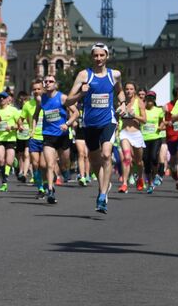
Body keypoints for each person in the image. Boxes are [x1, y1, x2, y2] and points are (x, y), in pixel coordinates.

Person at [67, 43, 125, 214]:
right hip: (89, 124)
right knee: (95, 162)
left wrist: (122, 103)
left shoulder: (115, 75)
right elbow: (68, 101)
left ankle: (102, 195)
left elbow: (120, 91)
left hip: (108, 120)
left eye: (102, 55)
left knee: (106, 154)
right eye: (95, 56)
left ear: (107, 56)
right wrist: (81, 94)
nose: (99, 59)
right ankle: (103, 187)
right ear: (92, 57)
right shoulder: (84, 75)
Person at [33, 75, 78, 203]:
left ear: (55, 84)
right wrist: (33, 129)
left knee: (64, 164)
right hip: (48, 135)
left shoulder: (62, 98)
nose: (47, 83)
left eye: (50, 81)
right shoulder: (41, 99)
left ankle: (64, 170)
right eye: (45, 81)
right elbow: (35, 115)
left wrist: (67, 124)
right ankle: (51, 191)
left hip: (62, 136)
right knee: (49, 164)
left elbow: (76, 113)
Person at [117, 82, 147, 193]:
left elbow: (144, 120)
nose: (129, 91)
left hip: (136, 134)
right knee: (127, 157)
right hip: (124, 133)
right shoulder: (121, 102)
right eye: (127, 89)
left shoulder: (139, 102)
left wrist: (133, 115)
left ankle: (140, 178)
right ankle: (124, 184)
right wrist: (118, 113)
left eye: (131, 89)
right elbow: (117, 116)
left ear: (135, 90)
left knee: (139, 162)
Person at [21, 80, 47, 197]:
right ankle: (40, 188)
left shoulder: (48, 102)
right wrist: (21, 125)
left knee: (43, 165)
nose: (36, 91)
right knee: (35, 164)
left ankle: (47, 183)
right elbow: (20, 119)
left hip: (47, 137)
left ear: (43, 89)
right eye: (34, 89)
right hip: (33, 137)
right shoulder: (27, 105)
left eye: (39, 89)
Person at [0, 91, 20, 192]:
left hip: (10, 139)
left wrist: (12, 127)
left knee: (8, 161)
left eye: (3, 98)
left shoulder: (13, 110)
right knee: (0, 160)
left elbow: (20, 126)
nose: (1, 99)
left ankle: (12, 163)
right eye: (0, 97)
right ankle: (4, 182)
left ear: (8, 99)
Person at [141, 91, 165, 194]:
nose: (150, 100)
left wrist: (161, 126)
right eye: (148, 98)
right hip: (144, 138)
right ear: (145, 99)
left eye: (152, 98)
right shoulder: (142, 110)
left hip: (155, 137)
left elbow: (162, 121)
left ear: (154, 100)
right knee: (146, 160)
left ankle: (156, 175)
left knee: (154, 157)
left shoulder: (158, 110)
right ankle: (150, 184)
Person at [165, 87, 178, 189]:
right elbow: (162, 122)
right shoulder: (167, 106)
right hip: (171, 136)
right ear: (174, 97)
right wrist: (167, 122)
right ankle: (173, 170)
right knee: (173, 159)